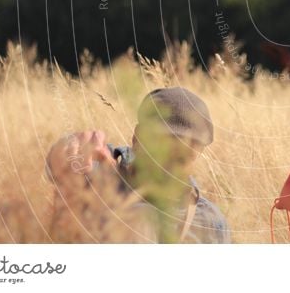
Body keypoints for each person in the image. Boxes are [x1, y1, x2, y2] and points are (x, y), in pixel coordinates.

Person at [45, 87, 231, 244]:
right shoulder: (101, 174)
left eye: (184, 153)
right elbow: (56, 168)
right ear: (138, 137)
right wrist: (69, 149)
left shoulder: (209, 221)